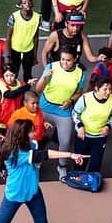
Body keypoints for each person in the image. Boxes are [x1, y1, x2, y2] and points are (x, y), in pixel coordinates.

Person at [36, 49, 87, 180]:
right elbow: (38, 89)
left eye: (68, 60)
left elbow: (79, 92)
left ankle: (62, 166)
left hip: (63, 111)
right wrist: (44, 78)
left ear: (75, 59)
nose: (64, 62)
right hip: (45, 107)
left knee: (65, 141)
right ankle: (36, 160)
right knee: (38, 136)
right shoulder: (51, 67)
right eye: (62, 59)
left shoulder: (80, 73)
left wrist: (70, 101)